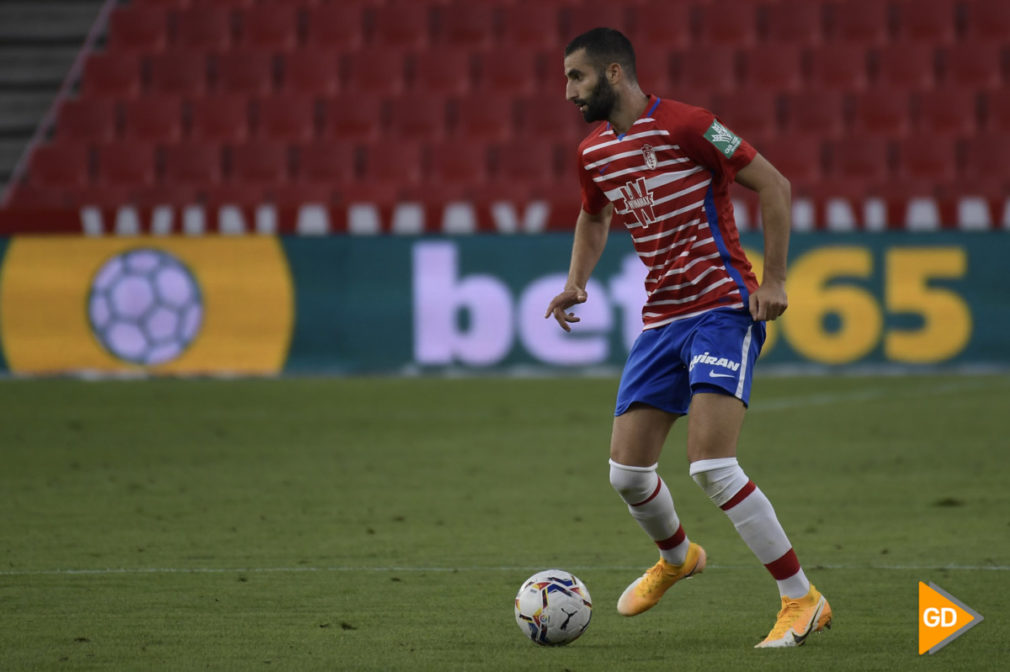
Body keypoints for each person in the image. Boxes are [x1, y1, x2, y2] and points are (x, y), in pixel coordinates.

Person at [544, 28, 831, 649]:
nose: (567, 91)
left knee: (712, 465)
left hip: (721, 309)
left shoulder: (689, 124)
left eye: (576, 77)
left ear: (614, 73)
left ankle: (801, 599)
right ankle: (678, 558)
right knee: (626, 475)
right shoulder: (593, 151)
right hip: (661, 321)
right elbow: (594, 215)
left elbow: (774, 187)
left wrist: (775, 279)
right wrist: (576, 282)